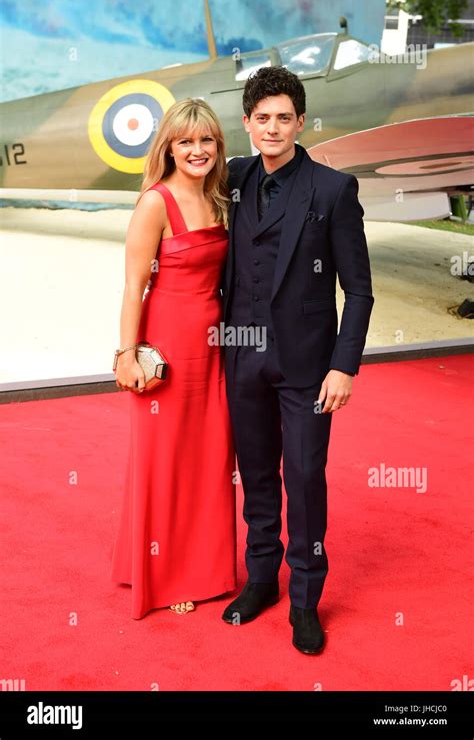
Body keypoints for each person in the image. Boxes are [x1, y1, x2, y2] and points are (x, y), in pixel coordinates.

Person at [221, 67, 374, 653]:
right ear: (248, 124)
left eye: (285, 117)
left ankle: (306, 601)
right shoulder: (233, 180)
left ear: (301, 122)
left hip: (309, 367)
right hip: (241, 358)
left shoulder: (334, 190)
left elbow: (358, 290)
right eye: (263, 118)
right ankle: (261, 579)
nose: (274, 127)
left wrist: (345, 366)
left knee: (305, 479)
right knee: (256, 475)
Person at [110, 98, 237, 618]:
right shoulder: (155, 203)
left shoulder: (223, 197)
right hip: (167, 347)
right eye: (185, 141)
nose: (197, 149)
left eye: (206, 140)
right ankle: (165, 575)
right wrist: (126, 355)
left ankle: (200, 568)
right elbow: (133, 286)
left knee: (210, 459)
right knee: (164, 462)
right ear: (168, 147)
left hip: (215, 347)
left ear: (218, 146)